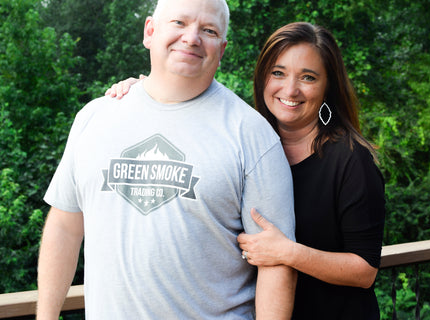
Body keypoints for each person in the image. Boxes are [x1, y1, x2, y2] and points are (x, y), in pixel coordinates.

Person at [36, 0, 297, 319]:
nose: (191, 38)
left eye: (209, 30)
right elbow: (64, 226)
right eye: (179, 23)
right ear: (150, 31)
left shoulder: (252, 134)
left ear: (222, 49)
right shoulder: (94, 117)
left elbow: (277, 263)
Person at [108, 22, 386, 319]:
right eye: (278, 73)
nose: (290, 90)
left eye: (308, 77)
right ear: (262, 77)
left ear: (328, 86)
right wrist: (148, 92)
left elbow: (364, 270)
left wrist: (288, 252)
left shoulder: (351, 160)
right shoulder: (247, 142)